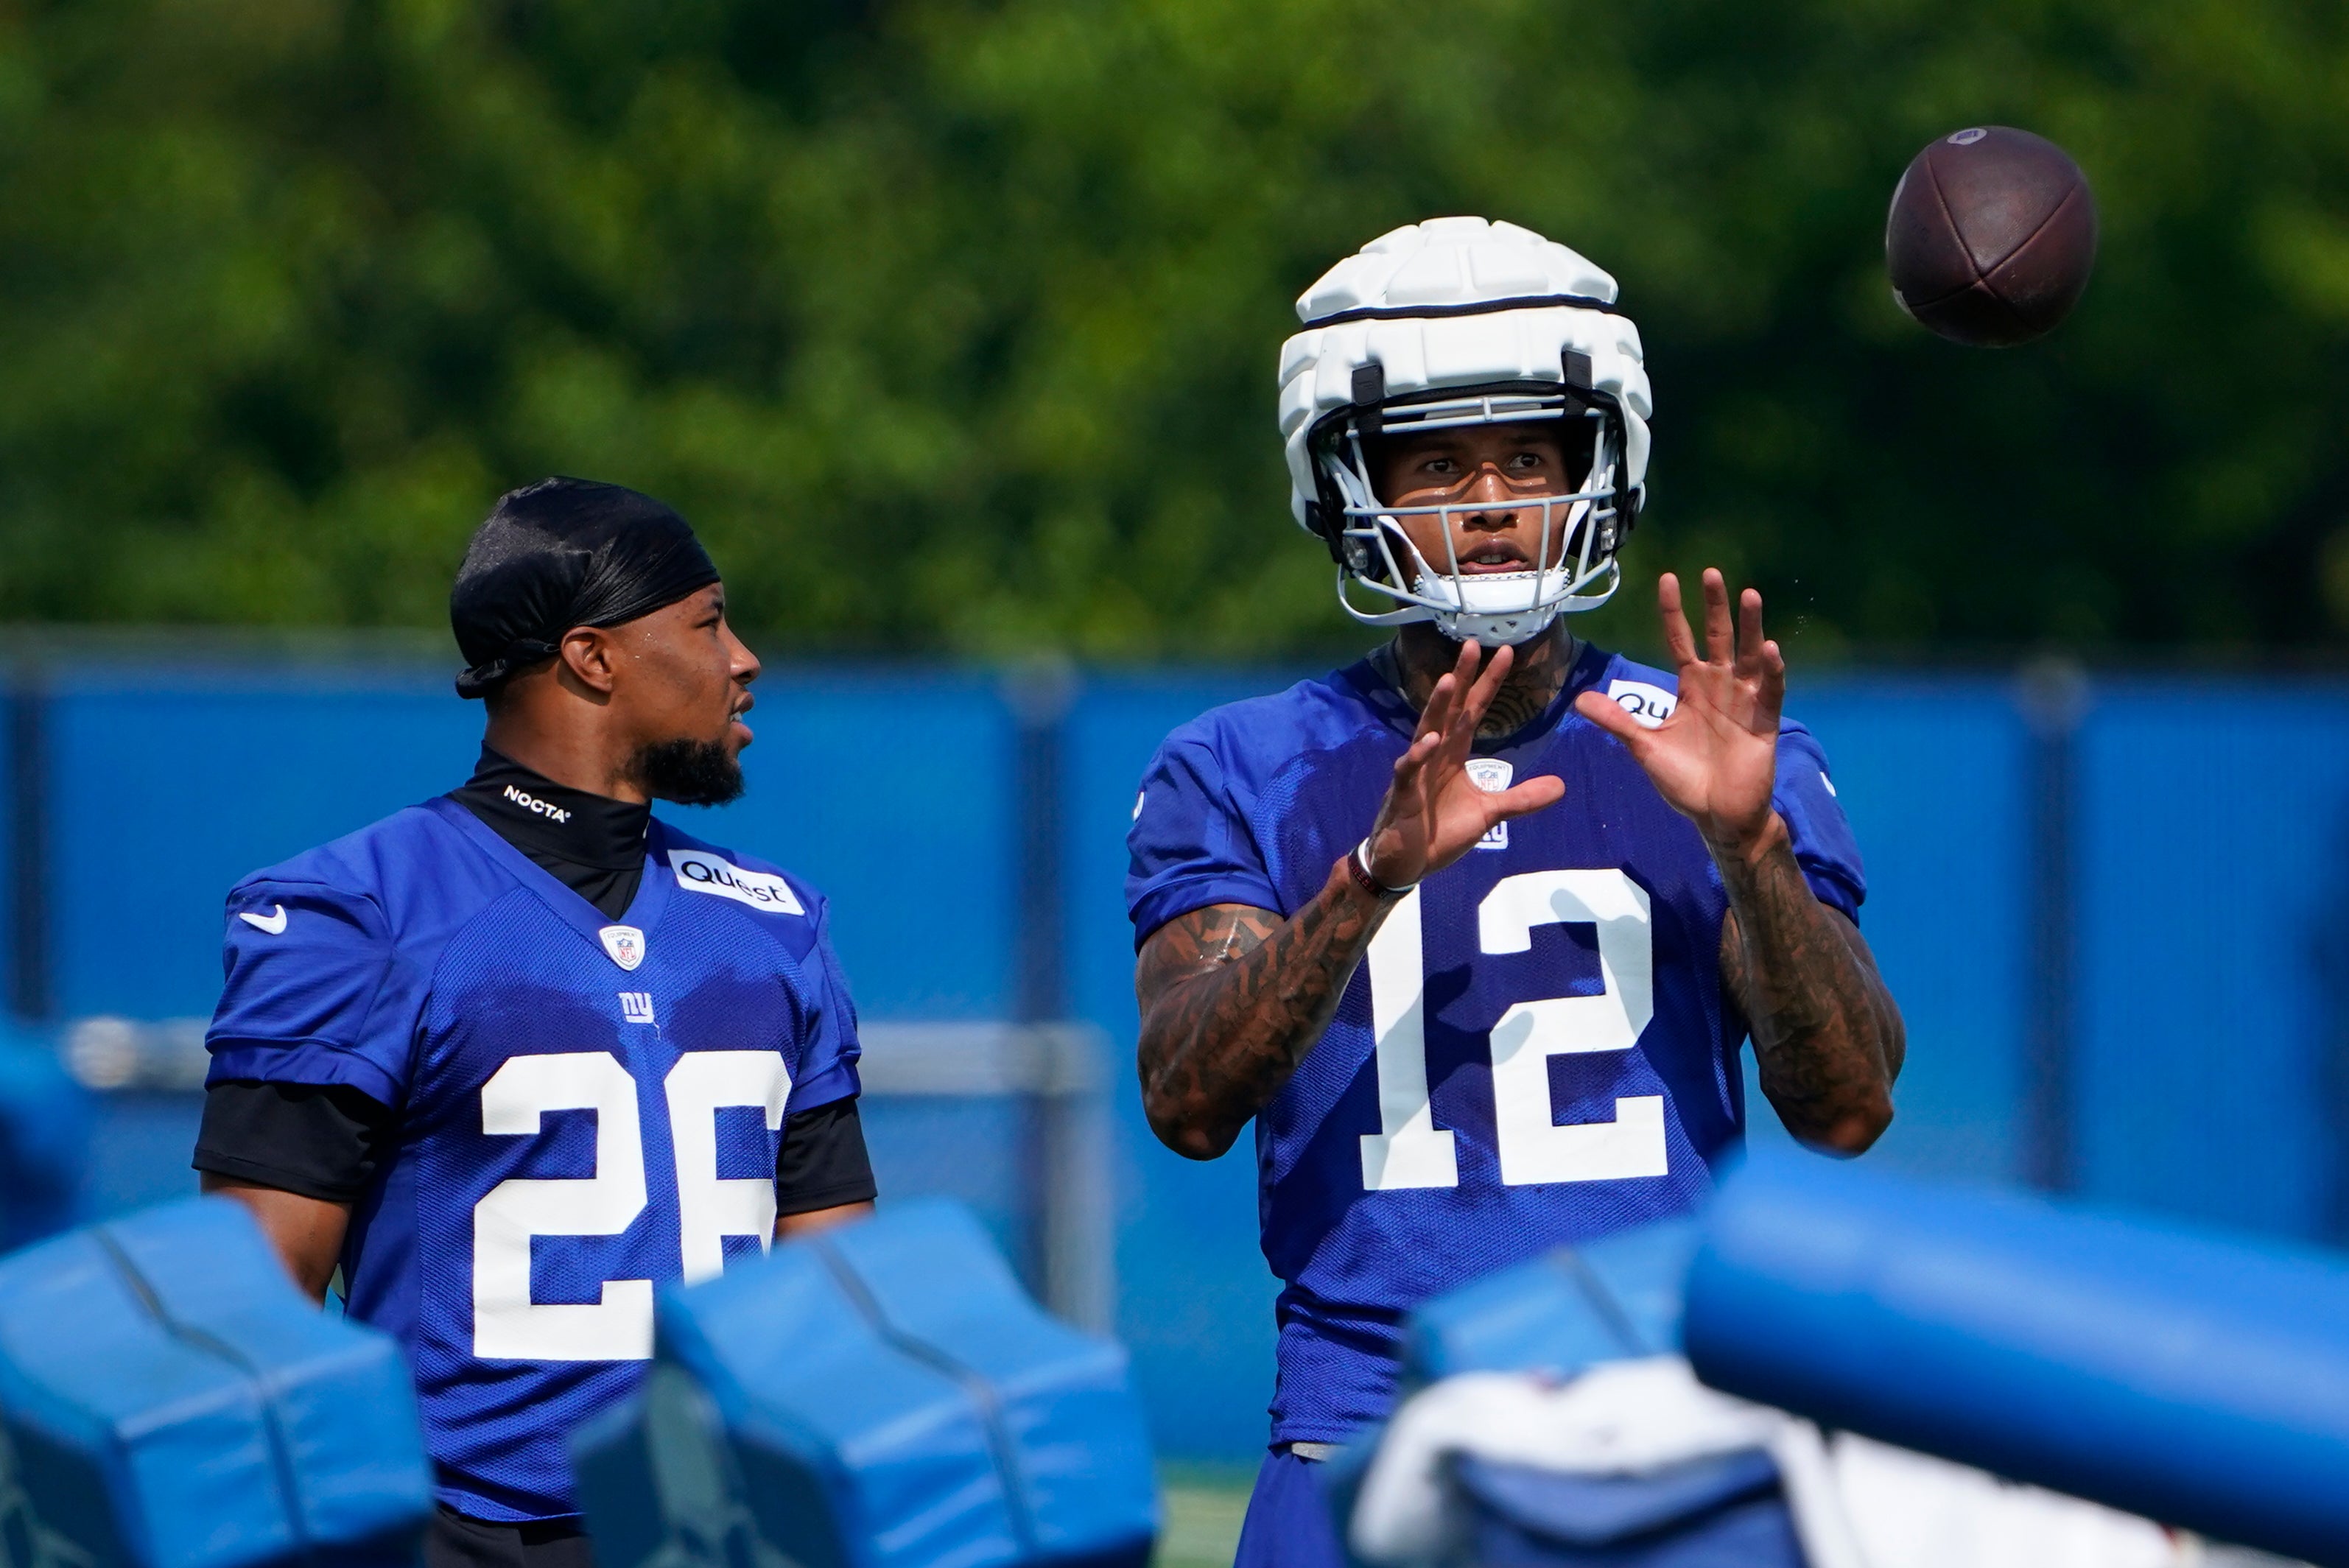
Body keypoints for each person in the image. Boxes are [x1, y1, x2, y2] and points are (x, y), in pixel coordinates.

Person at [1125, 217, 1906, 1566]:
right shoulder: (1243, 765)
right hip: (1364, 1431)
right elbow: (1186, 1102)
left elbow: (1845, 1107)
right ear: (1347, 479)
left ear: (1595, 472)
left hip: (1660, 1429)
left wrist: (1748, 845)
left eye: (1526, 459)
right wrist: (1368, 875)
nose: (1488, 499)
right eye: (1436, 462)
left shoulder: (1703, 744)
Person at [191, 478, 877, 1566]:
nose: (742, 658)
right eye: (706, 622)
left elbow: (834, 1288)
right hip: (463, 1532)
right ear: (592, 655)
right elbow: (247, 1306)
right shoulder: (363, 912)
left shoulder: (774, 924)